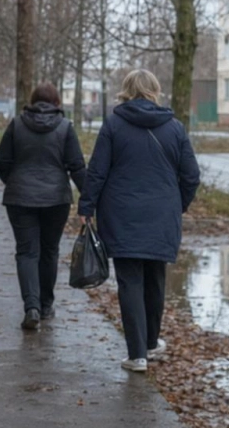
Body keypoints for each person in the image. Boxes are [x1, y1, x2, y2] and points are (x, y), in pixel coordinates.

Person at [77, 70, 200, 373]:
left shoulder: (114, 125)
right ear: (155, 90)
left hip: (121, 214)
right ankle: (151, 342)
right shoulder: (175, 128)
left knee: (130, 281)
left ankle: (137, 355)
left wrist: (87, 206)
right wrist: (178, 205)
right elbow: (191, 176)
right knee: (155, 278)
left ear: (127, 90)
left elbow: (97, 171)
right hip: (162, 215)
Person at [0, 83, 86, 330]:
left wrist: (15, 181)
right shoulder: (65, 127)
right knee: (49, 251)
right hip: (56, 199)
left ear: (32, 102)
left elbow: (1, 162)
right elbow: (76, 166)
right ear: (57, 103)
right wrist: (89, 198)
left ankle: (31, 307)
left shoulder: (17, 125)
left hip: (20, 198)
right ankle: (45, 305)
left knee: (26, 252)